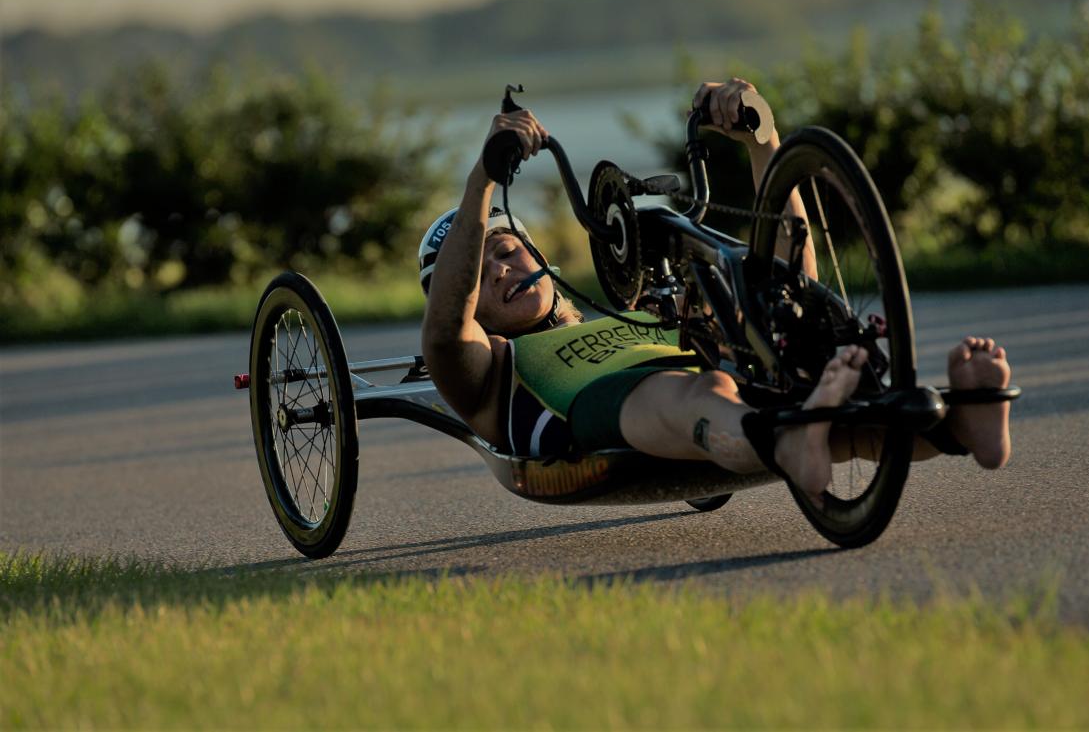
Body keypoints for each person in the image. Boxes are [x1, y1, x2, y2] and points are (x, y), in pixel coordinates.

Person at [420, 78, 1012, 506]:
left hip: (735, 399)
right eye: (478, 275)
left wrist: (762, 139)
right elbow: (447, 328)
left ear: (541, 257)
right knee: (705, 390)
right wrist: (485, 179)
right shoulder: (490, 369)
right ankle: (795, 438)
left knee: (826, 395)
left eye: (508, 250)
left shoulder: (640, 308)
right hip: (621, 412)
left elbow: (787, 290)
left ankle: (965, 424)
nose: (498, 270)